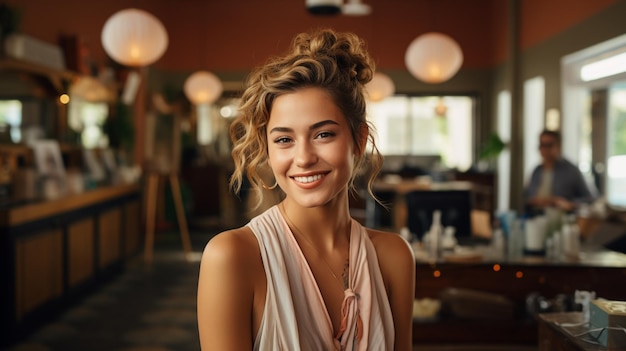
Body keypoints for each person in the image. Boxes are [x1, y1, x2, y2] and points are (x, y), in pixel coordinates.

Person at [197, 28, 415, 350]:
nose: (303, 158)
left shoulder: (394, 257)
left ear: (359, 140)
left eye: (323, 134)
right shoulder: (232, 257)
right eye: (284, 140)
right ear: (268, 150)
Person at [524, 129, 595, 214]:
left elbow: (590, 199)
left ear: (559, 146)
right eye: (542, 145)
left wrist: (567, 203)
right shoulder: (536, 171)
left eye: (549, 145)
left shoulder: (571, 171)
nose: (544, 150)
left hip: (562, 219)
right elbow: (527, 198)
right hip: (536, 218)